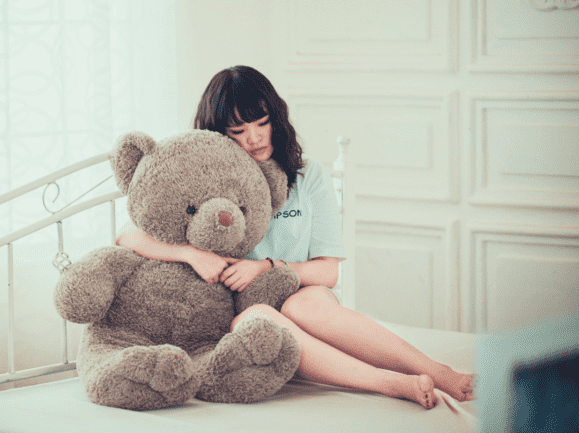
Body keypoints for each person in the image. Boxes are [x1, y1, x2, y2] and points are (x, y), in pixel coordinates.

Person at [116, 65, 474, 409]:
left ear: (276, 118)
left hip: (302, 293)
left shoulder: (307, 175)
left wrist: (267, 268)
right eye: (238, 130)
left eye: (262, 123)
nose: (254, 138)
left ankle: (437, 371)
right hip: (239, 311)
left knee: (300, 305)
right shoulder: (204, 178)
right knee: (254, 318)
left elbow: (328, 273)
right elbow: (127, 236)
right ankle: (389, 383)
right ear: (217, 133)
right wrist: (192, 255)